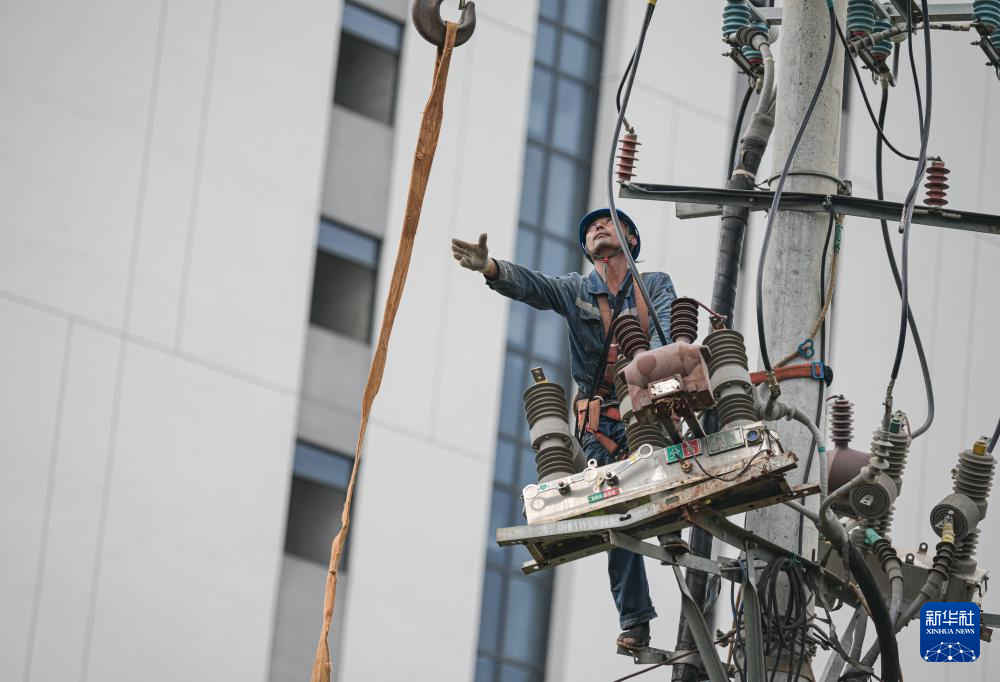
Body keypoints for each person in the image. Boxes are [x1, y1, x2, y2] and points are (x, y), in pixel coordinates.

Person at [451, 208, 677, 650]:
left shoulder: (654, 286)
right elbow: (535, 286)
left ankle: (672, 526)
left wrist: (653, 368)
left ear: (631, 241)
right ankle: (635, 619)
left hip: (649, 409)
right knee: (616, 511)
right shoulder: (578, 291)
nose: (597, 227)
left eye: (608, 223)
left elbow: (668, 335)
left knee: (661, 471)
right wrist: (490, 268)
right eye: (591, 227)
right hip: (602, 426)